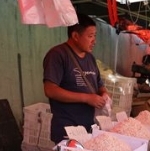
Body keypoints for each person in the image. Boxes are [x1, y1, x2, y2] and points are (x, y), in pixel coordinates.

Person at [43, 13, 109, 144]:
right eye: (90, 36)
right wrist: (87, 98)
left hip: (88, 127)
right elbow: (50, 90)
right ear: (75, 36)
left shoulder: (90, 58)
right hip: (67, 129)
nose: (94, 41)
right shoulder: (57, 55)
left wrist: (104, 94)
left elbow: (99, 84)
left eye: (95, 36)